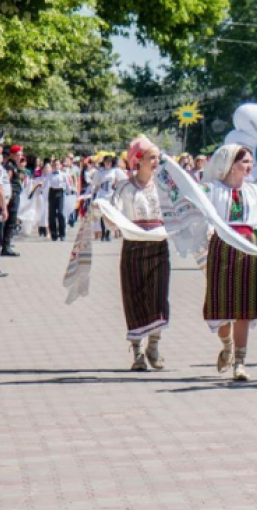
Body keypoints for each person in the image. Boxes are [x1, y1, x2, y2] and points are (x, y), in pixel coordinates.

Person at [201, 144, 257, 380]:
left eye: (250, 162)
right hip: (222, 247)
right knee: (221, 304)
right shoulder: (211, 189)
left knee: (244, 306)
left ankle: (240, 361)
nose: (249, 166)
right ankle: (227, 344)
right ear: (230, 164)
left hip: (247, 248)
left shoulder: (253, 190)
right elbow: (199, 211)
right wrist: (207, 230)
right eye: (244, 162)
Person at [110, 137, 171, 371]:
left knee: (158, 296)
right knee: (134, 297)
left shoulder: (164, 186)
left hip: (158, 245)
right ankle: (137, 353)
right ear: (138, 160)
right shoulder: (125, 187)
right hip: (134, 246)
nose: (156, 161)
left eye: (157, 157)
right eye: (151, 157)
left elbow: (179, 208)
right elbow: (113, 213)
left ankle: (153, 346)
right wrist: (103, 214)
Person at [92, 156, 124, 242]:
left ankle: (108, 233)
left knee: (110, 215)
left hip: (112, 195)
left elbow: (123, 180)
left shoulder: (115, 171)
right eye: (106, 162)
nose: (108, 164)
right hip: (102, 194)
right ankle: (103, 233)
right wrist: (94, 194)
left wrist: (117, 183)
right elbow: (96, 183)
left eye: (109, 162)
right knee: (102, 214)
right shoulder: (100, 172)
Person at [2, 145, 24, 256]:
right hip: (12, 195)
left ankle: (6, 245)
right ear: (13, 154)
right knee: (10, 221)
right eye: (18, 154)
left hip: (15, 194)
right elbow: (7, 181)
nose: (20, 156)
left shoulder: (15, 165)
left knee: (12, 221)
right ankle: (5, 246)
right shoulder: (10, 166)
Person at [47, 161, 70, 241]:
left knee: (60, 213)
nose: (56, 166)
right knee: (52, 214)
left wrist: (69, 192)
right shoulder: (50, 174)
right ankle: (54, 234)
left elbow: (67, 184)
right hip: (52, 192)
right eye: (54, 165)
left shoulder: (63, 174)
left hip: (60, 192)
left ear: (60, 166)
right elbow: (46, 183)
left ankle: (62, 233)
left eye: (58, 164)